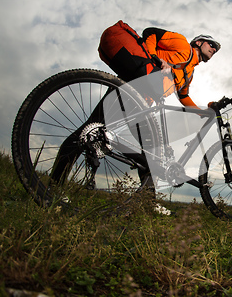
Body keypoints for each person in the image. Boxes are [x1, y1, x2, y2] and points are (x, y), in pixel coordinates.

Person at [50, 21, 220, 209]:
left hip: (142, 105)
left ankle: (148, 203)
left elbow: (184, 96)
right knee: (89, 131)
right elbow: (151, 33)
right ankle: (52, 187)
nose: (214, 49)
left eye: (216, 48)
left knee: (151, 152)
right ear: (198, 43)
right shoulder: (181, 44)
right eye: (211, 44)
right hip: (131, 88)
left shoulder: (189, 72)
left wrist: (203, 112)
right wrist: (155, 57)